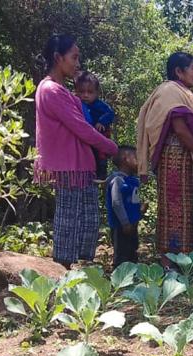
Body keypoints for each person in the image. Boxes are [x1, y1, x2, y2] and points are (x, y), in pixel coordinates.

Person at [33, 34, 118, 268]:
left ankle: (81, 270)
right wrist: (112, 149)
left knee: (88, 220)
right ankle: (62, 272)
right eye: (74, 57)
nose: (78, 63)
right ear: (58, 58)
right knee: (69, 221)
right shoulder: (51, 90)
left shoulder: (63, 91)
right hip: (69, 165)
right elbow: (81, 128)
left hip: (81, 166)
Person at [137, 52, 193, 259]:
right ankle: (169, 261)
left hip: (186, 158)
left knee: (189, 208)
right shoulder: (169, 91)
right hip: (175, 158)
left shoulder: (183, 92)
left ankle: (187, 258)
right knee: (174, 207)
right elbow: (179, 128)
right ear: (179, 71)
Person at [106, 146, 143, 267]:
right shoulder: (117, 180)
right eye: (136, 157)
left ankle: (132, 275)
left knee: (132, 250)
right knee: (122, 252)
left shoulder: (132, 180)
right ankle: (120, 278)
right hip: (121, 227)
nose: (140, 161)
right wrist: (125, 222)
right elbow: (116, 203)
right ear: (125, 159)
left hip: (132, 226)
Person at [74, 71, 115, 181]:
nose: (86, 95)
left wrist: (102, 121)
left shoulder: (99, 104)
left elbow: (110, 113)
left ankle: (101, 173)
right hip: (88, 135)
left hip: (100, 133)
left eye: (90, 92)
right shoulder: (77, 103)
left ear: (96, 93)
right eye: (82, 92)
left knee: (101, 154)